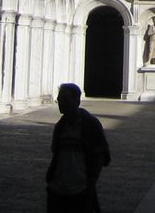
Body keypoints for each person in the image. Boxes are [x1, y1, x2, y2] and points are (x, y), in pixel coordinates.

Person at [46, 83, 109, 213]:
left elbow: (100, 156)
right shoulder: (60, 126)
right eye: (59, 99)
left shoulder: (90, 125)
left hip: (79, 189)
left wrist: (90, 184)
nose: (60, 103)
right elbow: (56, 154)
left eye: (65, 99)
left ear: (77, 101)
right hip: (57, 189)